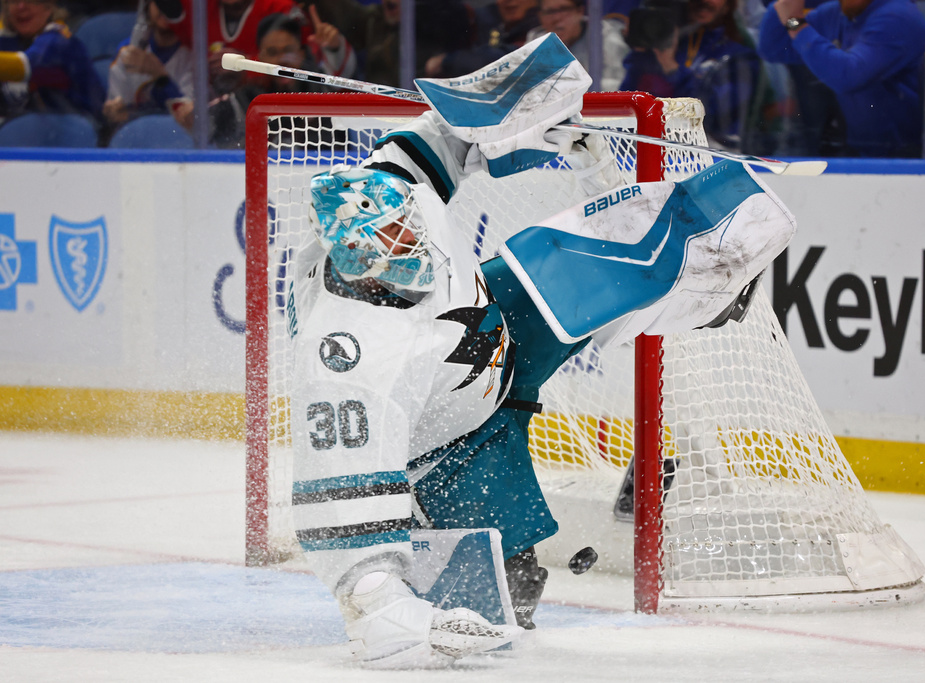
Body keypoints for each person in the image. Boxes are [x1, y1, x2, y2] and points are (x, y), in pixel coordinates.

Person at [287, 34, 797, 668]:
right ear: (358, 262)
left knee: (597, 254)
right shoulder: (347, 355)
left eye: (403, 230)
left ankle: (705, 274)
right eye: (390, 243)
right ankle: (447, 593)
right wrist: (377, 601)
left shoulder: (388, 195)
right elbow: (336, 492)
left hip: (489, 326)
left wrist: (531, 125)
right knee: (514, 586)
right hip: (451, 437)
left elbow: (451, 135)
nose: (405, 241)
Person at [758, 0, 925, 157]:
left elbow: (849, 76)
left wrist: (794, 22)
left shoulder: (898, 15)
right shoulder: (837, 12)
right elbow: (774, 48)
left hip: (902, 156)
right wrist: (785, 5)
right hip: (861, 149)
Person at [619, 0, 779, 152]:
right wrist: (640, 49)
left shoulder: (739, 57)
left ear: (728, 6)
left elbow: (712, 116)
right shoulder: (659, 47)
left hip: (711, 157)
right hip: (645, 153)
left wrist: (672, 69)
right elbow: (626, 105)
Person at [206, 12, 339, 147]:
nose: (282, 60)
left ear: (301, 53)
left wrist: (335, 48)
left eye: (288, 50)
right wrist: (190, 115)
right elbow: (205, 126)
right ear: (261, 57)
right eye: (272, 52)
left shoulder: (324, 91)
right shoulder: (243, 101)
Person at [306, 0, 471, 87]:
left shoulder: (443, 21)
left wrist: (445, 62)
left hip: (425, 116)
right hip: (375, 117)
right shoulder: (375, 20)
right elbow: (345, 12)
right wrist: (334, 45)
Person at [0, 0, 105, 127]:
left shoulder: (60, 42)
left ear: (49, 6)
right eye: (13, 1)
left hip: (74, 137)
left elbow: (24, 65)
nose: (21, 6)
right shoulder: (7, 39)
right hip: (21, 137)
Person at [103, 0, 195, 135]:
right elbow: (118, 109)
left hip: (181, 142)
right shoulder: (129, 51)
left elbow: (190, 118)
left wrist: (160, 75)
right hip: (136, 137)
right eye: (159, 2)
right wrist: (114, 111)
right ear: (147, 6)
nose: (165, 9)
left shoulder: (194, 54)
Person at [525, 0, 631, 91]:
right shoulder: (535, 40)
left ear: (580, 11)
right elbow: (525, 88)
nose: (556, 18)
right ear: (540, 16)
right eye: (549, 12)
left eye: (563, 9)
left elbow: (617, 86)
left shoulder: (606, 36)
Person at [152, 0, 307, 59]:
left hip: (267, 105)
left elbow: (298, 64)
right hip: (212, 108)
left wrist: (246, 67)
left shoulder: (280, 8)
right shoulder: (199, 8)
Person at [424, 0, 540, 78]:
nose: (508, 1)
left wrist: (446, 61)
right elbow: (453, 13)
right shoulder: (490, 15)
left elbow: (506, 59)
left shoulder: (544, 24)